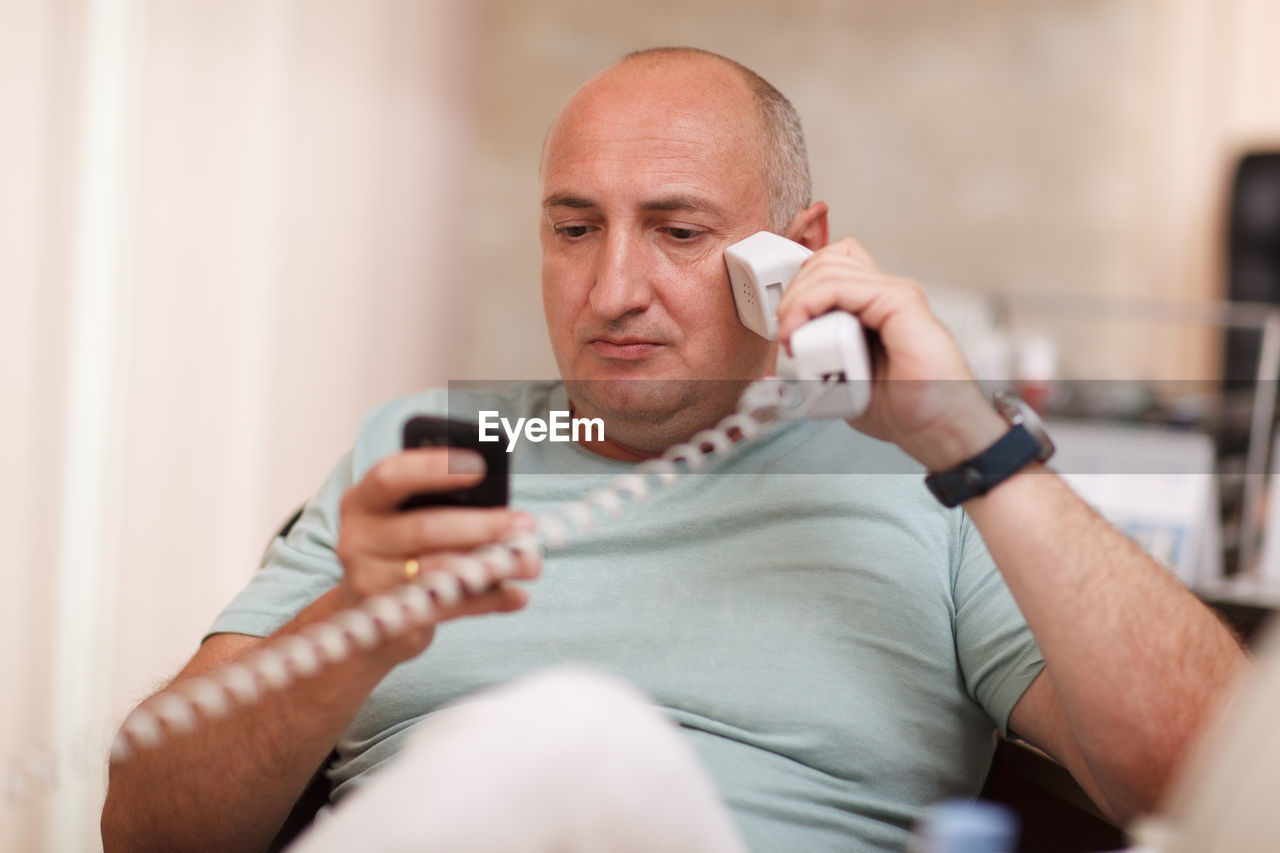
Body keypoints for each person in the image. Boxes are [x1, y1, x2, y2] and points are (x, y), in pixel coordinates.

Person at [101, 47, 1247, 852]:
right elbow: (143, 830)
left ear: (794, 255)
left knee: (577, 736)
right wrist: (349, 629)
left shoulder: (927, 470)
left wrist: (970, 439)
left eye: (678, 231)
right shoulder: (427, 450)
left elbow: (1220, 789)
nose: (611, 292)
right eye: (572, 229)